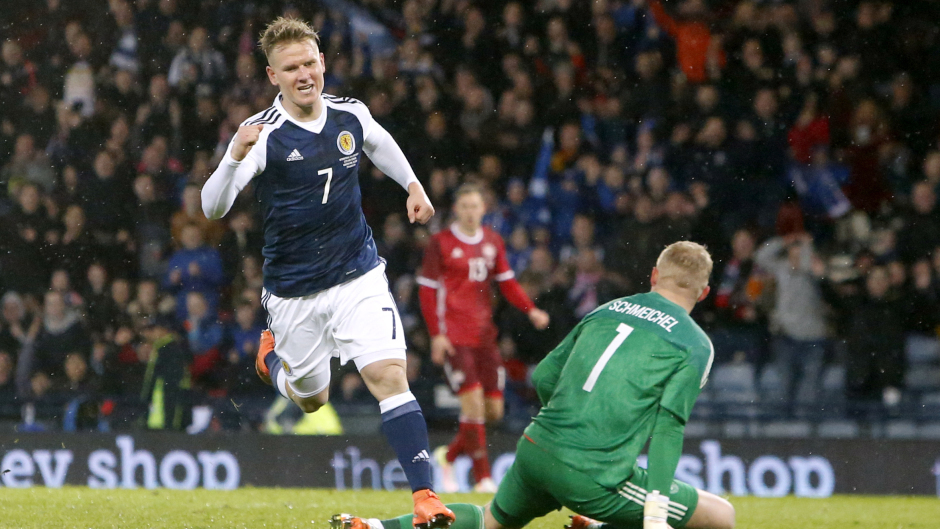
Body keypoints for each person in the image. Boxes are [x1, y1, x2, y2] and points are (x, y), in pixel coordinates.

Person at [200, 17, 451, 528]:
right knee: (314, 399)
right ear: (273, 75)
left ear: (323, 63)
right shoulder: (262, 135)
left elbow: (378, 144)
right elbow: (212, 208)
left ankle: (425, 496)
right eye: (291, 68)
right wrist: (230, 157)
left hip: (357, 274)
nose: (304, 74)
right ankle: (273, 364)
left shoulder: (349, 114)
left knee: (388, 375)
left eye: (310, 63)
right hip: (294, 294)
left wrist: (414, 186)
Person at [334, 241, 735, 529]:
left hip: (536, 448)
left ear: (654, 275)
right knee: (721, 517)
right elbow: (669, 428)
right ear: (703, 292)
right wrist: (656, 512)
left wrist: (567, 423)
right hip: (594, 474)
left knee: (491, 520)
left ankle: (376, 527)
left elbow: (543, 376)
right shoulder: (694, 343)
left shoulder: (605, 310)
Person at [417, 183, 550, 493]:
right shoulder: (441, 243)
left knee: (493, 412)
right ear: (456, 210)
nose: (470, 212)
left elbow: (507, 283)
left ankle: (448, 457)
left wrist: (531, 310)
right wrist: (436, 335)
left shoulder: (493, 241)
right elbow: (427, 291)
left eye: (475, 206)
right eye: (464, 207)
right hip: (454, 336)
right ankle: (484, 478)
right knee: (473, 405)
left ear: (483, 209)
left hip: (484, 338)